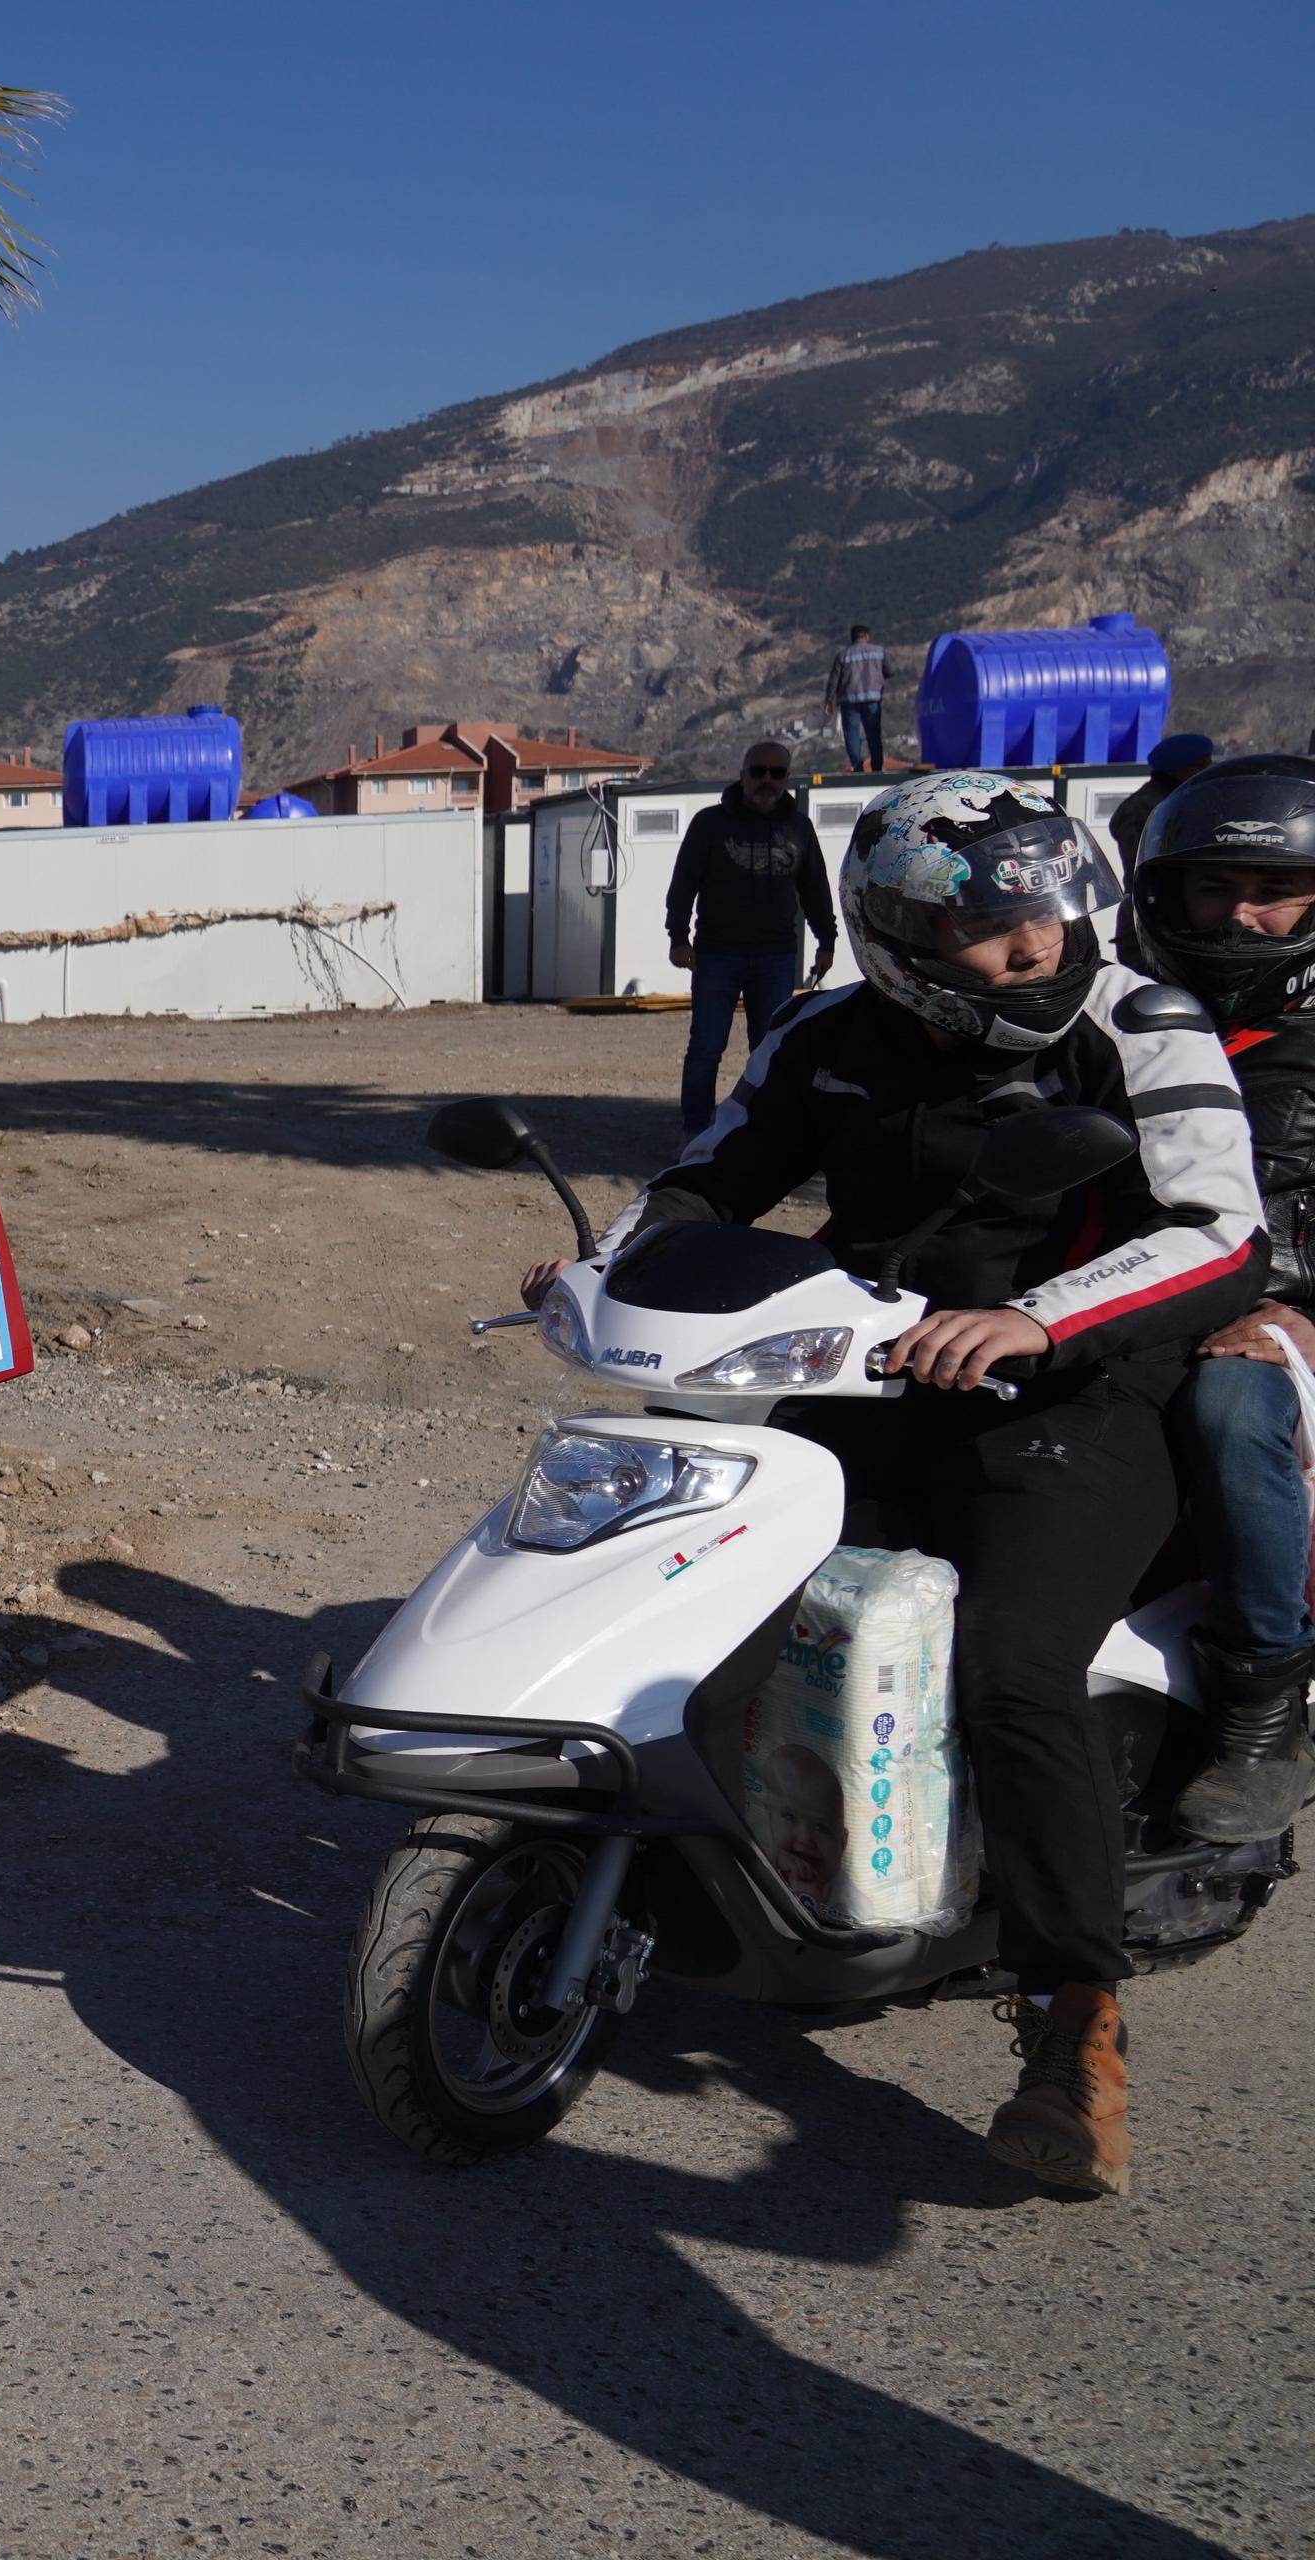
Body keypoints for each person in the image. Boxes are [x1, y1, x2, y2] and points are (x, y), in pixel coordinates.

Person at [536, 769, 1264, 2197]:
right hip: (861, 1374)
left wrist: (1040, 1318)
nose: (1037, 945)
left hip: (1073, 1398)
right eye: (997, 929)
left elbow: (1215, 1231)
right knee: (697, 1575)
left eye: (1051, 910)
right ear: (898, 937)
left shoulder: (1139, 1023)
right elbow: (708, 1180)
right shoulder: (826, 1035)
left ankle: (1072, 2019)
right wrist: (610, 1259)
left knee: (1006, 1662)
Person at [1119, 753, 1315, 1839]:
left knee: (1230, 1409)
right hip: (1148, 1295)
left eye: (1273, 891)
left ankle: (1261, 1705)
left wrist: (1304, 1320)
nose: (1238, 915)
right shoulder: (1126, 1020)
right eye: (1210, 887)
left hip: (1280, 1330)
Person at [664, 743, 837, 1136]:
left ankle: (765, 1130)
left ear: (786, 779)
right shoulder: (710, 824)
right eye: (758, 771)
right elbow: (683, 884)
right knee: (706, 1049)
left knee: (771, 1050)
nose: (766, 781)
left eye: (777, 773)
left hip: (776, 958)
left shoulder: (799, 828)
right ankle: (695, 1132)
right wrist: (678, 937)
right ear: (742, 774)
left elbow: (815, 889)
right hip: (716, 955)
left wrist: (825, 940)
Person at [1108, 731, 1219, 873]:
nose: (1206, 772)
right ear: (1175, 770)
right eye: (1199, 766)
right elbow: (1144, 865)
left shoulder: (1190, 799)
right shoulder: (1141, 808)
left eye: (1209, 764)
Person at [826, 623, 891, 773]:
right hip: (872, 699)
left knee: (851, 734)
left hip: (849, 700)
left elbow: (833, 681)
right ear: (867, 637)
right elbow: (890, 671)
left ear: (852, 638)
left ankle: (857, 766)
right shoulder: (879, 652)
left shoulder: (843, 655)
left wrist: (829, 701)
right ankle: (877, 766)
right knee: (874, 734)